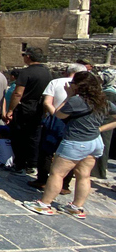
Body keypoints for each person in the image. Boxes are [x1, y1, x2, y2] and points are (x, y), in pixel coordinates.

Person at [23, 71, 116, 218]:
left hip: (76, 141)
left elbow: (58, 115)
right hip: (95, 141)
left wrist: (69, 95)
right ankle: (76, 207)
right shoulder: (103, 101)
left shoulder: (76, 101)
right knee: (84, 175)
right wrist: (100, 129)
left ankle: (44, 204)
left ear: (78, 86)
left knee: (57, 173)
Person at [30, 63, 87, 192]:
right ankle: (64, 185)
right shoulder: (87, 86)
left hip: (56, 119)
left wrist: (56, 114)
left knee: (46, 151)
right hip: (76, 122)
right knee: (70, 154)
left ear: (68, 71)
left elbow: (47, 102)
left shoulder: (55, 82)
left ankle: (42, 179)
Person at [6, 47, 52, 177]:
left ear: (29, 57)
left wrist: (10, 109)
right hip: (39, 107)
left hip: (25, 108)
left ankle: (19, 165)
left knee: (18, 137)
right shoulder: (47, 72)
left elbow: (18, 93)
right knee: (34, 137)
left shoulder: (26, 73)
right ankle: (32, 164)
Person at [93, 69, 116, 180]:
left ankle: (99, 171)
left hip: (106, 121)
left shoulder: (109, 93)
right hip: (107, 120)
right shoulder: (108, 90)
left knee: (103, 145)